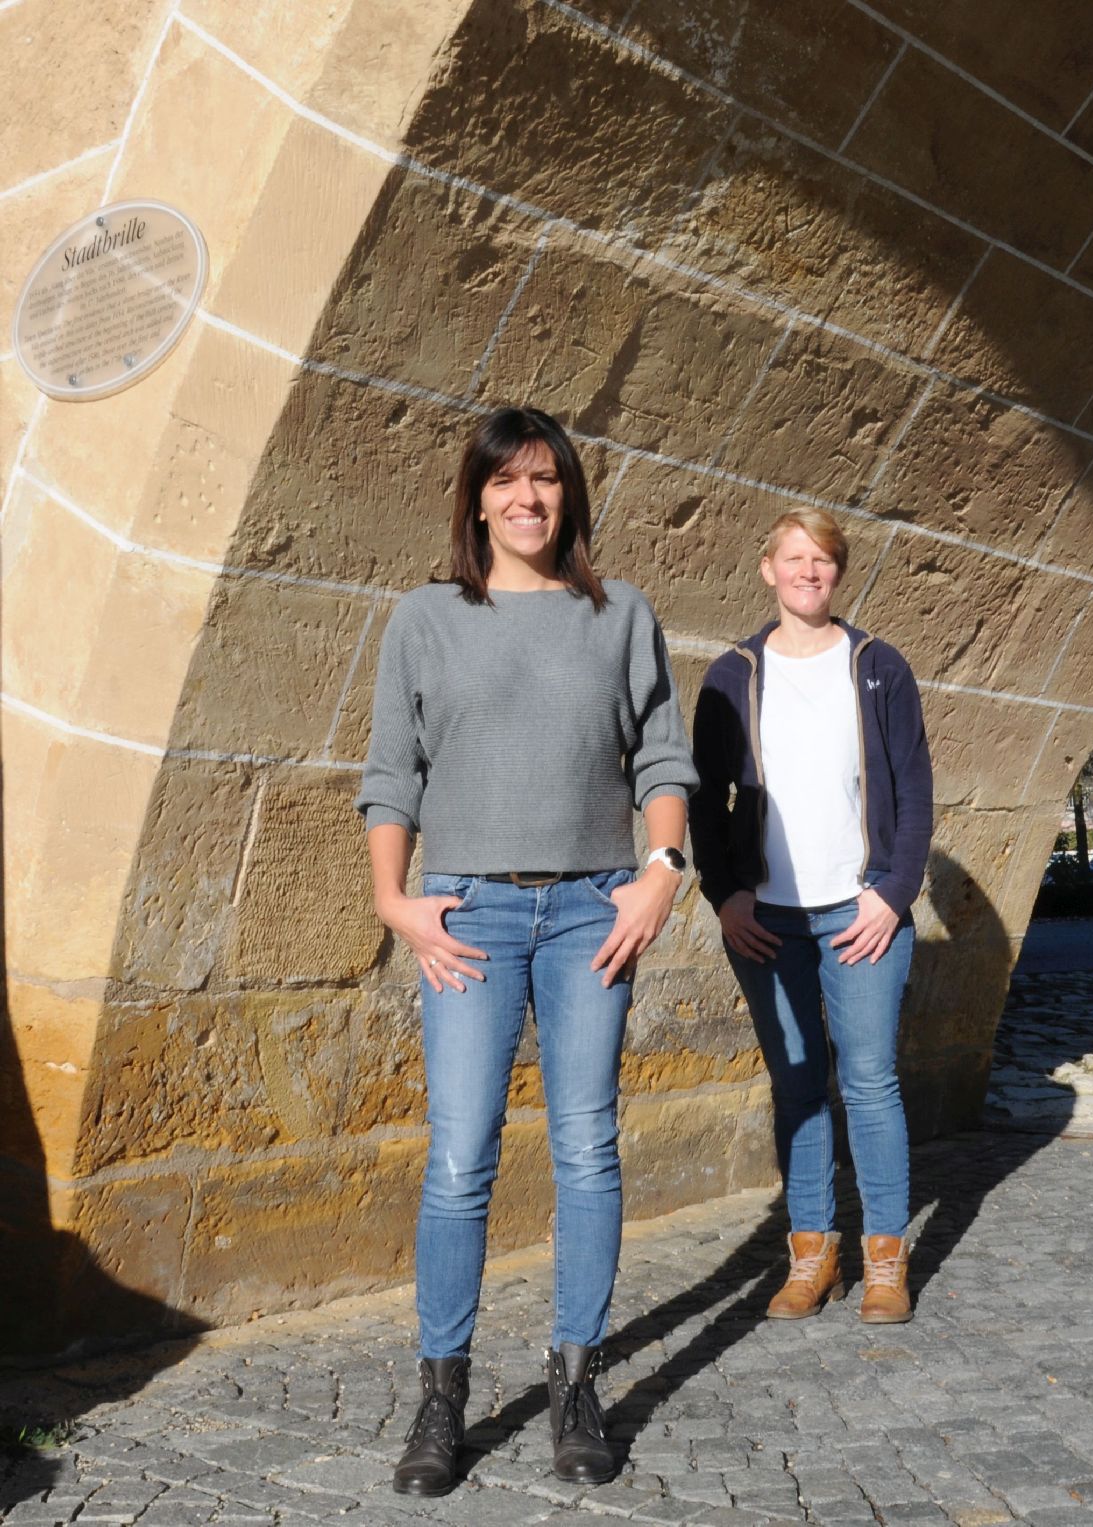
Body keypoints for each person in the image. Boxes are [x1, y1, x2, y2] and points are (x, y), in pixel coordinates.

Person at [356, 407, 696, 1496]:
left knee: (588, 1148)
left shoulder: (619, 613)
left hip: (595, 912)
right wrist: (393, 902)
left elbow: (661, 758)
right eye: (507, 482)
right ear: (476, 498)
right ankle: (442, 1396)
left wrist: (660, 874)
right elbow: (391, 772)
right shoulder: (423, 618)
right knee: (460, 1159)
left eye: (546, 480)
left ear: (570, 497)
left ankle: (576, 1382)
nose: (527, 500)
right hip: (468, 917)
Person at [688, 509, 932, 1325]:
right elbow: (702, 799)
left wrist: (891, 893)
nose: (809, 572)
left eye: (823, 559)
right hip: (768, 918)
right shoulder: (732, 674)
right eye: (794, 558)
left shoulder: (879, 667)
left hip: (859, 912)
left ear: (838, 571)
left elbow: (915, 791)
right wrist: (724, 894)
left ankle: (885, 1261)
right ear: (768, 569)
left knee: (869, 1081)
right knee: (796, 1086)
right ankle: (811, 1255)